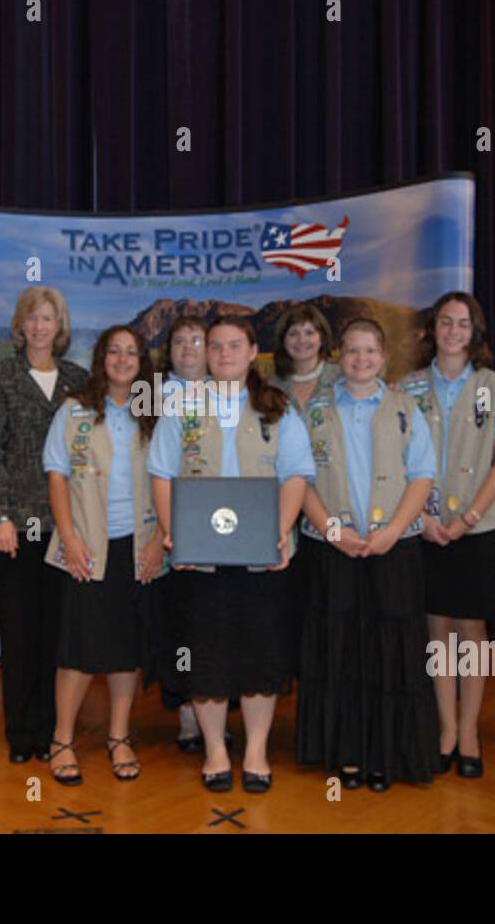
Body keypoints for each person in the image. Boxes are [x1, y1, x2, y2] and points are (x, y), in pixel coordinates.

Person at [149, 315, 314, 793]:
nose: (223, 354)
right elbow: (161, 473)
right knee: (206, 656)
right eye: (214, 346)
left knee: (260, 655)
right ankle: (217, 750)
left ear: (251, 352)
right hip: (198, 558)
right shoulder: (182, 407)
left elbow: (297, 475)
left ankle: (257, 750)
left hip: (262, 557)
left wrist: (279, 533)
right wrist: (173, 531)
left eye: (233, 345)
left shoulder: (276, 407)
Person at [296, 318, 439, 792]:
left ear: (383, 357)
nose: (361, 360)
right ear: (340, 355)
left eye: (370, 351)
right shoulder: (314, 410)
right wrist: (334, 531)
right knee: (341, 655)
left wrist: (393, 531)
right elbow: (300, 479)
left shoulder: (405, 407)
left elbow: (421, 475)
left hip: (393, 550)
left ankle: (387, 755)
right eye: (352, 351)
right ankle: (347, 754)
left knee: (388, 655)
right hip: (332, 549)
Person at [402, 291, 495, 779]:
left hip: (477, 527)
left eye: (463, 323)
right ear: (433, 330)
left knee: (471, 631)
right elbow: (398, 458)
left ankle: (470, 730)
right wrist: (425, 519)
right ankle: (445, 728)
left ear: (476, 333)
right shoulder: (407, 388)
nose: (454, 331)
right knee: (436, 630)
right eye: (446, 322)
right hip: (425, 528)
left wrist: (468, 517)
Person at [41, 326, 165, 784]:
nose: (122, 358)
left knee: (126, 649)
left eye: (131, 352)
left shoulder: (153, 412)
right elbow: (56, 476)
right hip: (86, 547)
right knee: (77, 649)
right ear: (101, 359)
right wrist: (69, 539)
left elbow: (168, 479)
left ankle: (119, 737)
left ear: (142, 362)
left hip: (138, 547)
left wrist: (159, 541)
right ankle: (62, 739)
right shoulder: (74, 409)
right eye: (113, 351)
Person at [0, 287, 89, 764]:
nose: (40, 326)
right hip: (17, 526)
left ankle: (52, 728)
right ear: (20, 326)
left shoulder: (79, 380)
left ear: (60, 326)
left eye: (49, 318)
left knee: (56, 632)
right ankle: (21, 733)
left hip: (69, 526)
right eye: (32, 318)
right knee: (20, 632)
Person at [269, 304, 341, 676]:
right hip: (283, 509)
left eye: (310, 332)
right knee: (296, 605)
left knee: (333, 605)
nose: (302, 340)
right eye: (293, 332)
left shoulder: (345, 378)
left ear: (323, 337)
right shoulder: (269, 387)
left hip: (333, 505)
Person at [157, 315, 209, 753]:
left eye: (197, 340)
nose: (189, 348)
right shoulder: (151, 396)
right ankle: (189, 716)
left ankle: (215, 712)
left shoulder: (228, 393)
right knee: (181, 626)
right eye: (180, 341)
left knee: (214, 626)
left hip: (220, 529)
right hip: (168, 527)